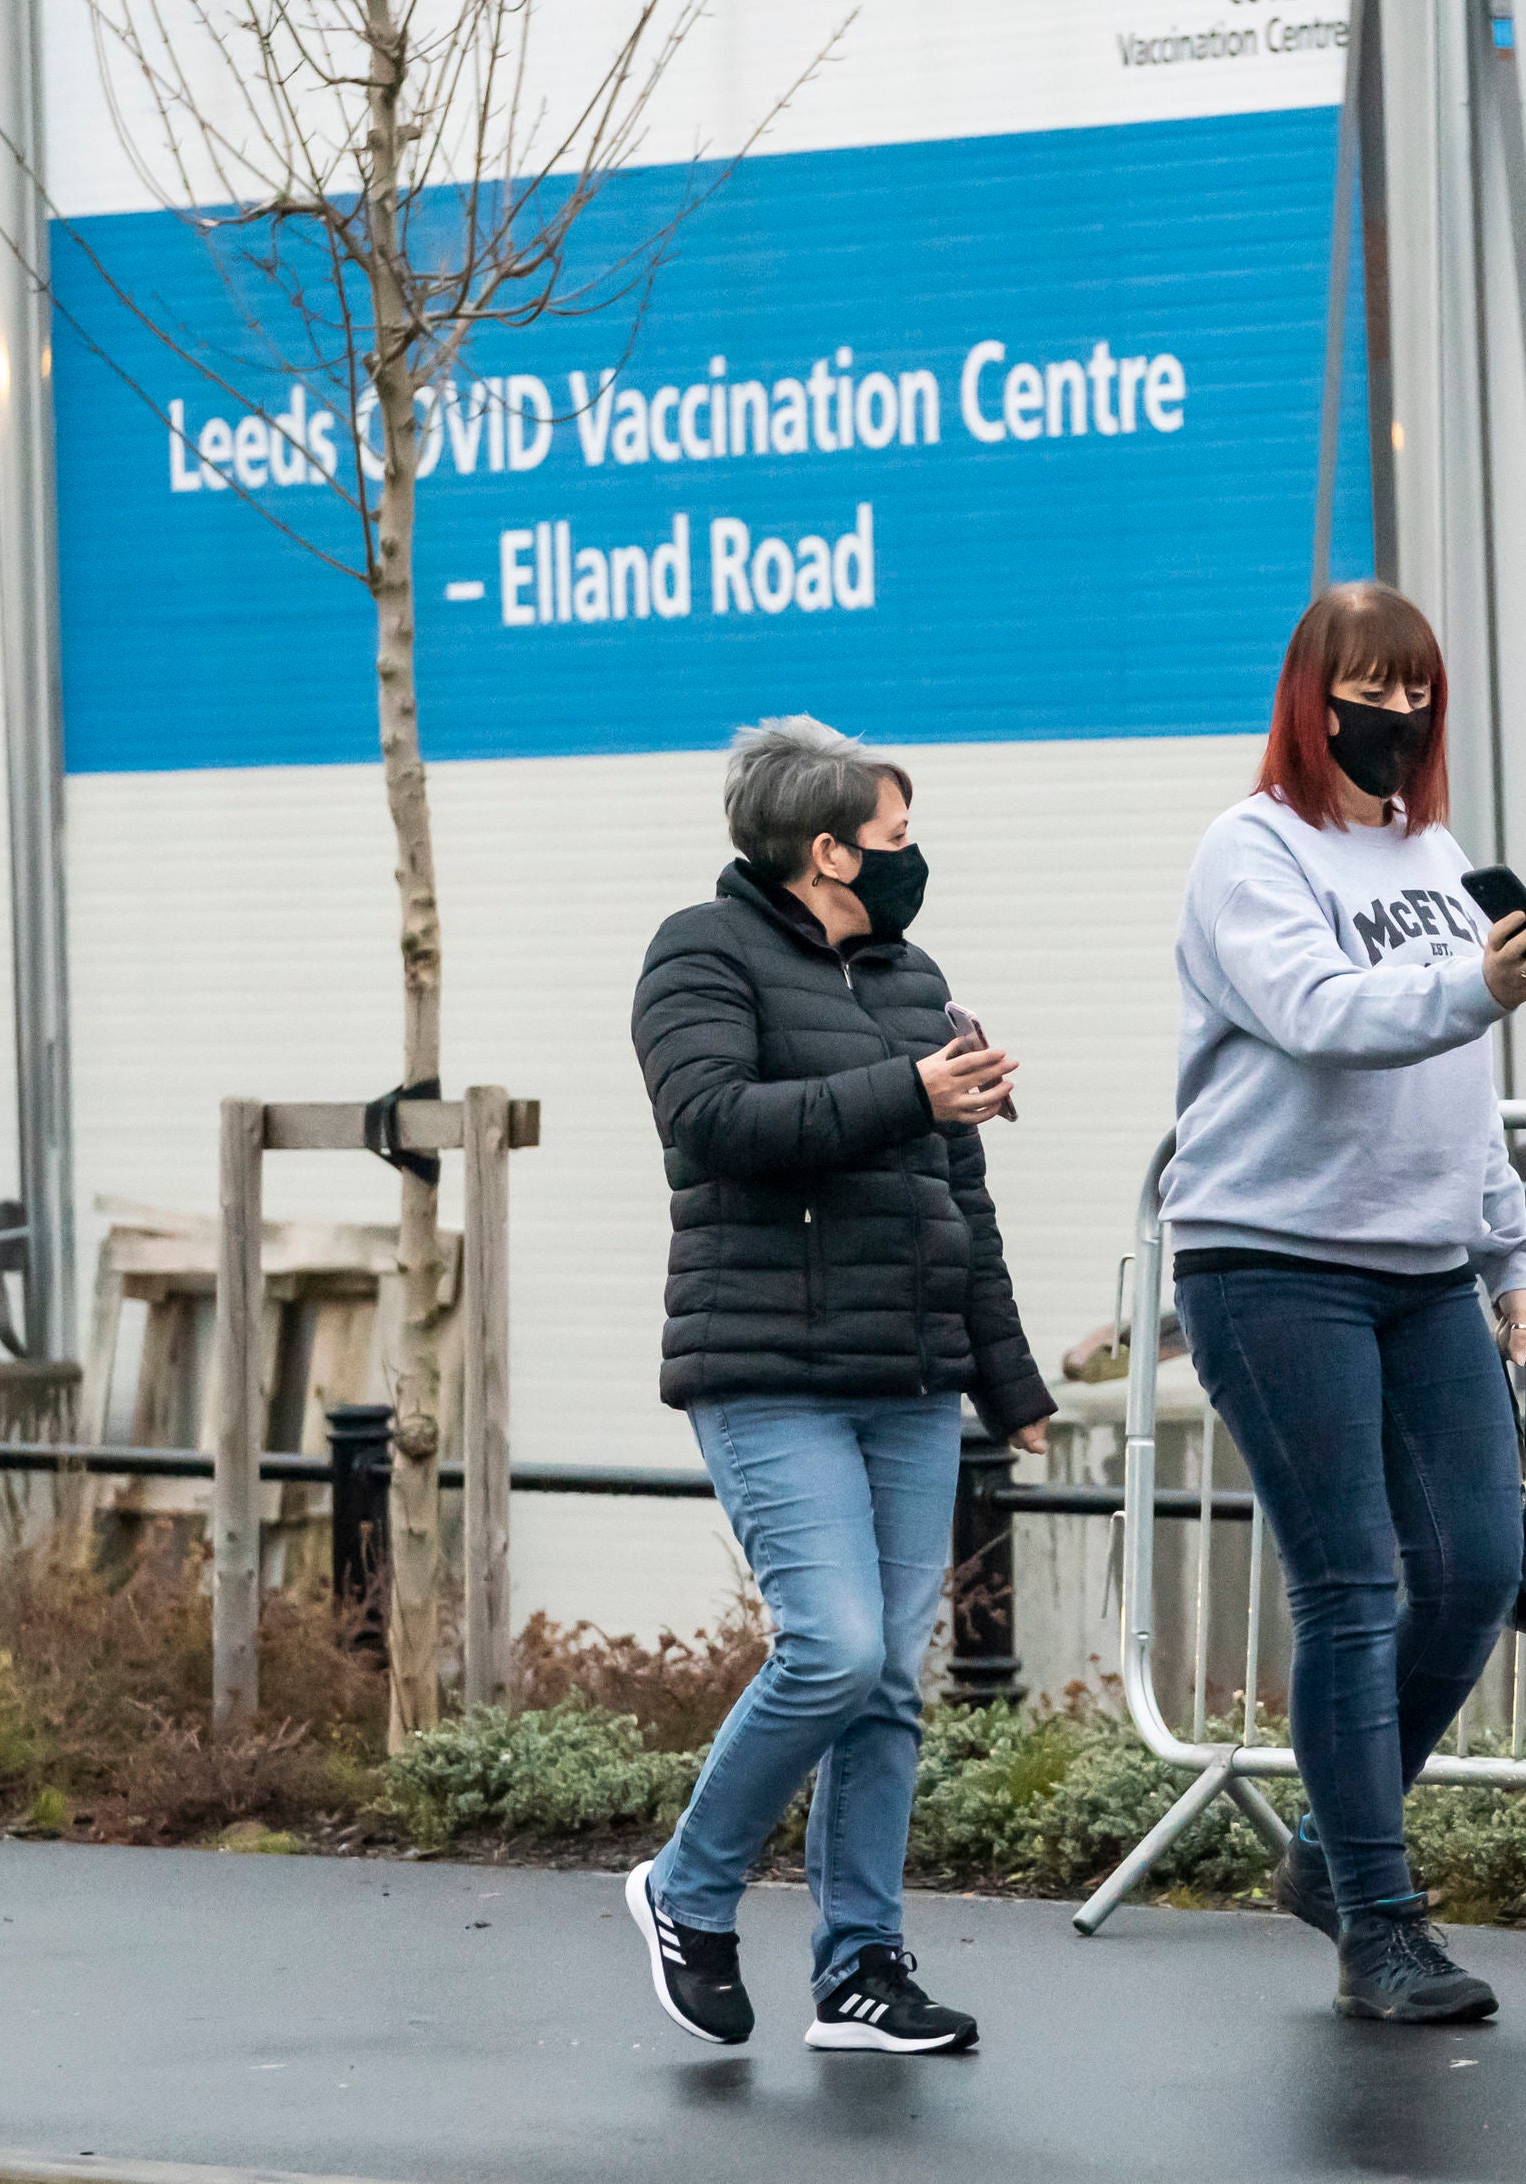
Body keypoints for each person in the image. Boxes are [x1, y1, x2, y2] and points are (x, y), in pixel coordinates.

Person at [1160, 580, 1526, 2025]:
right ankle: (1378, 1922)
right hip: (1269, 1258)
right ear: (1309, 693)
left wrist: (1510, 1255)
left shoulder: (1431, 845)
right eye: (1368, 687)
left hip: (1421, 1266)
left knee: (1474, 1565)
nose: (1394, 714)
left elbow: (1466, 1087)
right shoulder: (1249, 850)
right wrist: (1476, 984)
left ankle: (1335, 1847)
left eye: (1417, 691)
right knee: (1349, 1585)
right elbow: (1322, 1013)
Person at [618, 715, 1053, 2056]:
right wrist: (908, 1091)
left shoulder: (917, 979)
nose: (915, 862)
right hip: (770, 1369)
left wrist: (1013, 1381)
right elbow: (712, 1125)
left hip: (909, 1372)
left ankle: (862, 1965)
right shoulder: (700, 949)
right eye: (898, 838)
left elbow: (958, 1202)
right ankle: (684, 1888)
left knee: (891, 1682)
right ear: (826, 848)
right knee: (836, 1645)